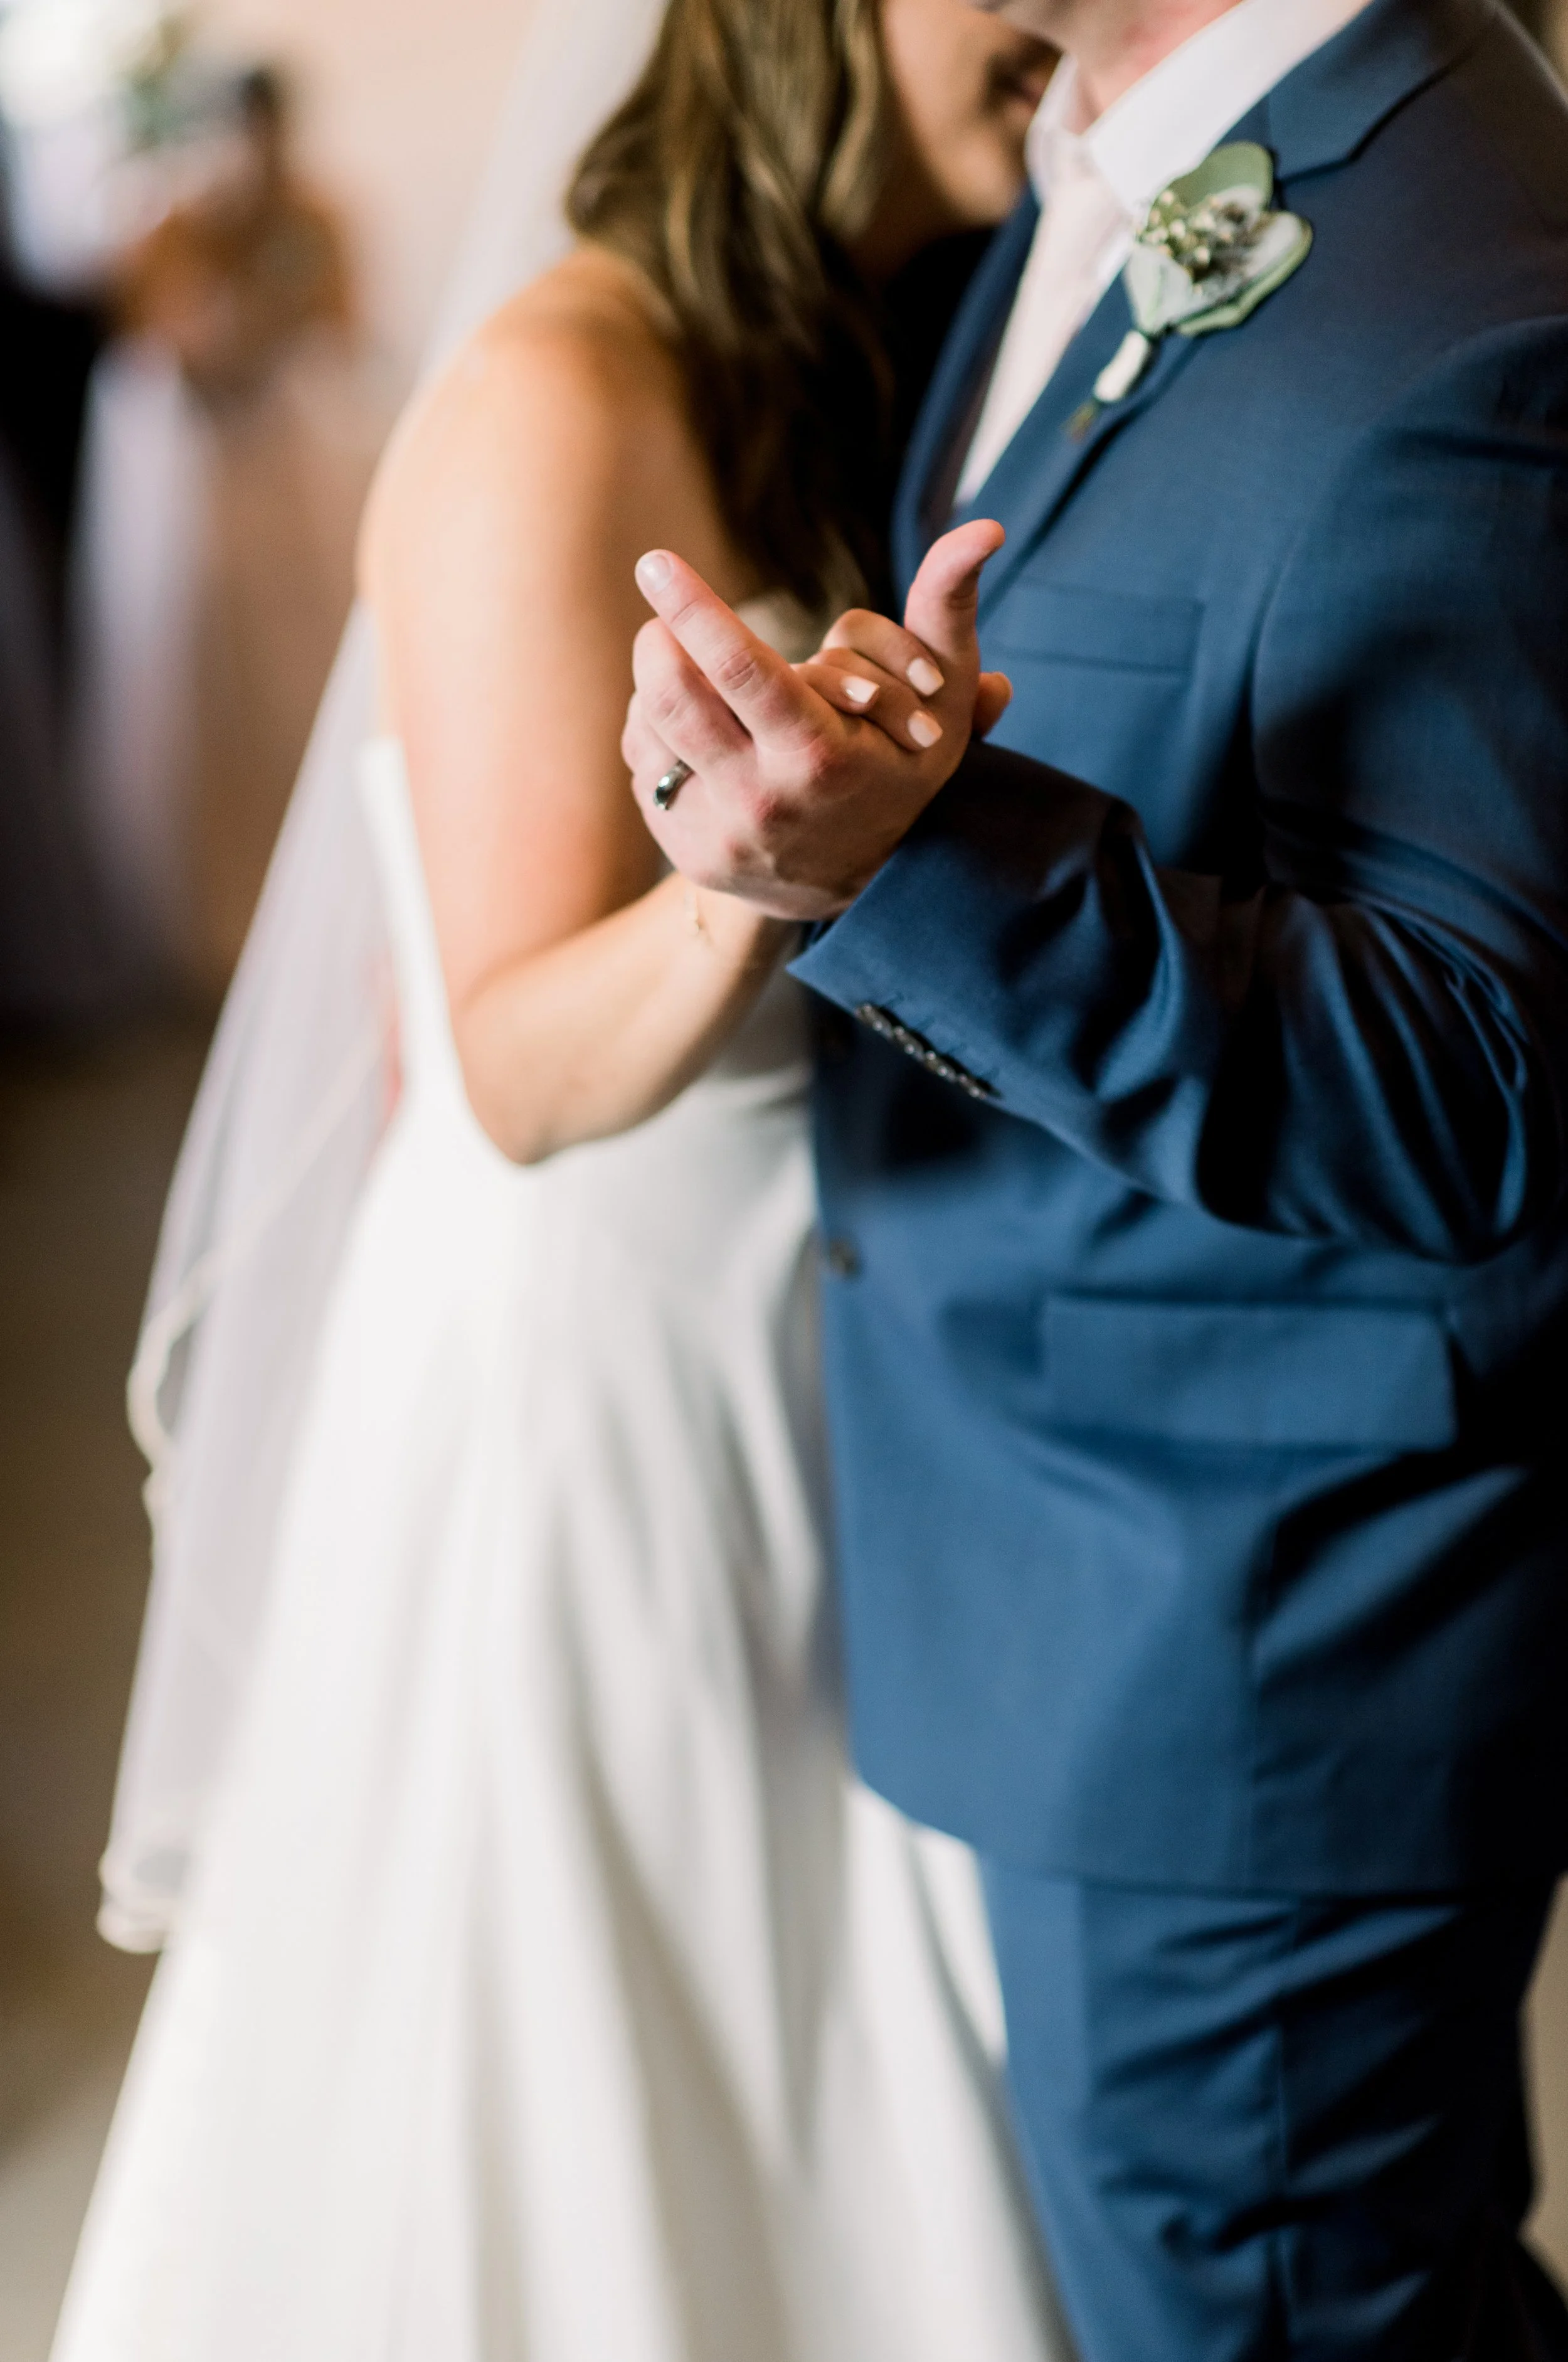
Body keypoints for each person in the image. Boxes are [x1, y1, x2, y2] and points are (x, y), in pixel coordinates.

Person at [51, 4, 1073, 2357]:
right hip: (599, 1387)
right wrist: (764, 877)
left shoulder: (859, 352)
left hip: (808, 1327)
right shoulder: (550, 395)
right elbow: (501, 1059)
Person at [621, 0, 1568, 2353]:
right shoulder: (1089, 164)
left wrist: (918, 866)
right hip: (1049, 1578)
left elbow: (1490, 1092)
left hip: (1246, 1669)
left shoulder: (1484, 290)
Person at [74, 65, 385, 997]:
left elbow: (343, 329)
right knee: (211, 682)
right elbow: (150, 347)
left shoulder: (320, 217)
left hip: (295, 472)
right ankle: (212, 915)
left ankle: (313, 892)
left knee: (304, 675)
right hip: (212, 484)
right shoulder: (168, 225)